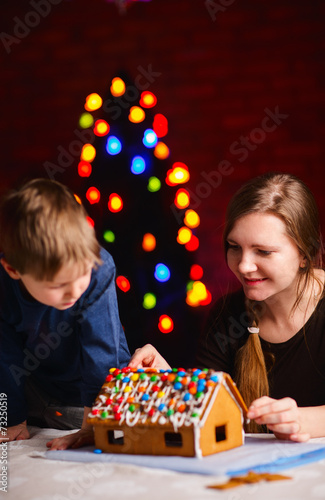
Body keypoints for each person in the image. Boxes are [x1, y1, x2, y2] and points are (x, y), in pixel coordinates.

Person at [130, 172, 325, 442]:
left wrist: (304, 420)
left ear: (304, 255)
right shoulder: (228, 314)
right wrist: (170, 382)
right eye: (234, 247)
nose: (244, 266)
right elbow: (207, 412)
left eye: (263, 251)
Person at [0, 178, 130, 450]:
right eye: (57, 285)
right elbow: (1, 356)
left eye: (81, 275)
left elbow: (102, 350)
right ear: (13, 270)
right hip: (35, 388)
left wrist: (93, 425)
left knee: (107, 424)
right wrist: (9, 420)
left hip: (92, 392)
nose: (74, 290)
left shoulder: (99, 268)